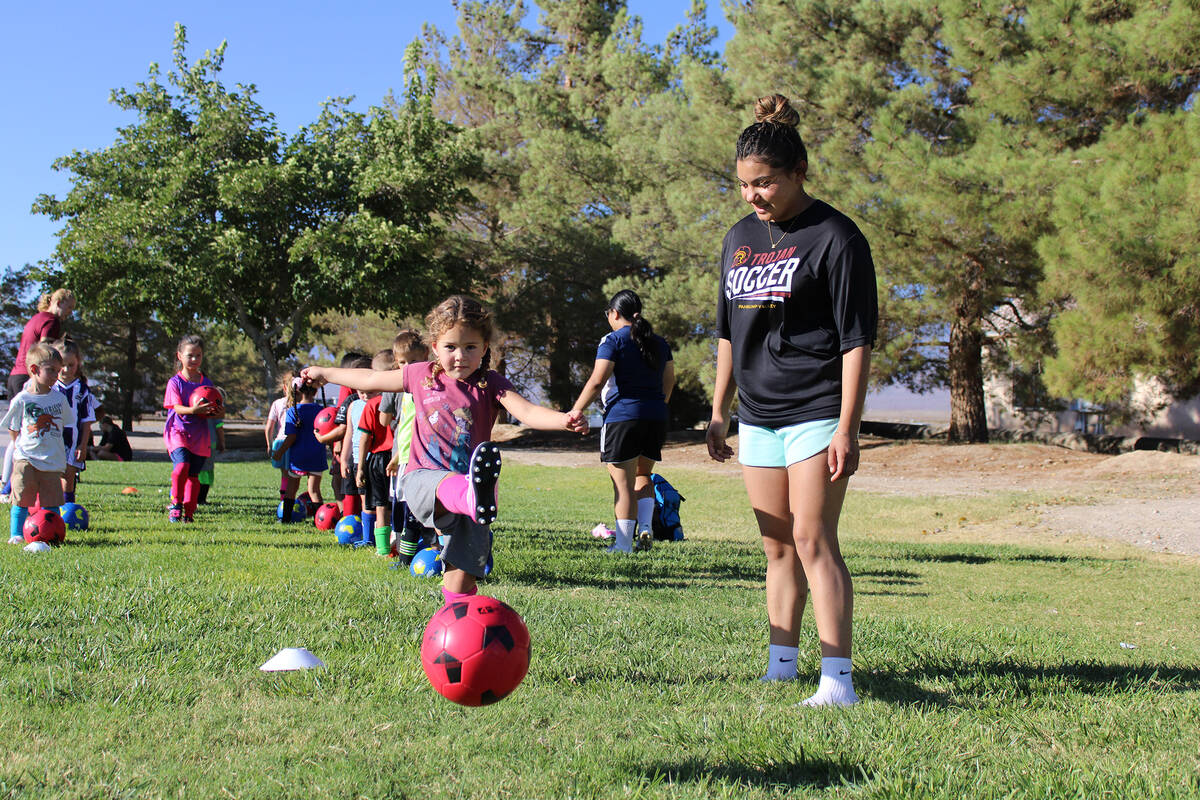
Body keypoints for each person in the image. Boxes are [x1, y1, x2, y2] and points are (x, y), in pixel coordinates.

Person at [706, 94, 877, 707]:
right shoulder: (738, 239)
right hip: (757, 414)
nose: (755, 195)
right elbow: (728, 332)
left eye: (767, 183)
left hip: (817, 407)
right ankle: (782, 665)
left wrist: (847, 428)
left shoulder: (837, 237)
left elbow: (856, 340)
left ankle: (838, 679)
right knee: (776, 543)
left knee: (813, 539)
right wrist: (720, 408)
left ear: (798, 172)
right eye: (746, 185)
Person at [302, 295, 588, 605]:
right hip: (424, 479)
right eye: (450, 347)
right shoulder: (421, 375)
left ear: (485, 347)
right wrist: (325, 373)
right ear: (435, 347)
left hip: (473, 501)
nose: (460, 356)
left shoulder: (489, 384)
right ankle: (468, 493)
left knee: (461, 575)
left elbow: (528, 412)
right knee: (450, 489)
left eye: (470, 347)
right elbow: (371, 378)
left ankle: (457, 619)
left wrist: (564, 420)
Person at [569, 289, 675, 554]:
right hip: (655, 417)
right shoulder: (660, 343)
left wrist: (576, 410)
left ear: (614, 314)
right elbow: (669, 380)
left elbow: (597, 380)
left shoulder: (612, 340)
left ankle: (624, 544)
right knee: (643, 474)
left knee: (622, 483)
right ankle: (646, 528)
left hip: (622, 418)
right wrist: (658, 405)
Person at [2, 344, 76, 543]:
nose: (55, 375)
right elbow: (13, 426)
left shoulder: (60, 400)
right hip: (26, 458)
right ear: (34, 370)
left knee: (51, 501)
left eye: (58, 371)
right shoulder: (22, 399)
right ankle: (16, 535)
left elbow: (68, 425)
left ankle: (52, 534)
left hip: (51, 460)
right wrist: (20, 447)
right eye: (51, 370)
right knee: (21, 499)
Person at [382, 331, 435, 563]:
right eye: (402, 363)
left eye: (413, 361)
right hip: (403, 457)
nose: (407, 367)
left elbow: (421, 425)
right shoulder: (406, 390)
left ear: (425, 355)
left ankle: (411, 557)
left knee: (417, 510)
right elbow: (402, 425)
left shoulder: (425, 388)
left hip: (420, 458)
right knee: (406, 508)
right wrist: (396, 455)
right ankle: (408, 554)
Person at [163, 334, 221, 523]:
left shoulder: (207, 383)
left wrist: (216, 411)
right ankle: (176, 504)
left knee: (194, 475)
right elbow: (177, 408)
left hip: (199, 435)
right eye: (190, 355)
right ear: (179, 356)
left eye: (198, 355)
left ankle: (189, 512)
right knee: (181, 467)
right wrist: (194, 410)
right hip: (178, 431)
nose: (194, 359)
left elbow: (216, 409)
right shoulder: (175, 382)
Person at [356, 350, 397, 552]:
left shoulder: (372, 404)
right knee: (400, 504)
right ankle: (403, 546)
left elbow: (365, 438)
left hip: (379, 459)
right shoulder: (404, 398)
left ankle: (382, 550)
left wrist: (360, 467)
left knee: (381, 505)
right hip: (401, 456)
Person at [271, 378, 327, 518]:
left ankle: (286, 518)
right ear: (315, 391)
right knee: (314, 491)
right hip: (316, 456)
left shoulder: (293, 411)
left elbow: (291, 437)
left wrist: (279, 452)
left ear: (297, 391)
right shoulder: (321, 411)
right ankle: (319, 520)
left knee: (291, 489)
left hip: (298, 458)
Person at [7, 288, 75, 400]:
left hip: (14, 376)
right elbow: (45, 350)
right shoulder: (52, 321)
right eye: (69, 307)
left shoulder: (36, 318)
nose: (71, 312)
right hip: (29, 378)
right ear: (58, 303)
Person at [53, 338, 98, 504]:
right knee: (49, 478)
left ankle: (68, 510)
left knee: (68, 478)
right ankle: (46, 510)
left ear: (78, 362)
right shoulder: (49, 387)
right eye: (62, 365)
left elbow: (87, 420)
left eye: (70, 365)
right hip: (51, 441)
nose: (65, 370)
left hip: (73, 443)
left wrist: (83, 445)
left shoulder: (82, 389)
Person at [264, 371, 294, 502]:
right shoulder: (300, 404)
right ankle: (294, 499)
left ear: (284, 387)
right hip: (295, 442)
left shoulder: (277, 403)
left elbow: (269, 427)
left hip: (281, 441)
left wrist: (269, 444)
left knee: (285, 475)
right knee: (298, 475)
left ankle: (284, 500)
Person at [197, 388, 227, 505]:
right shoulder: (215, 410)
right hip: (210, 442)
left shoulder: (199, 406)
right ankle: (201, 498)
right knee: (206, 470)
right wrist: (222, 442)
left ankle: (194, 496)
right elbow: (219, 426)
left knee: (197, 470)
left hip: (197, 441)